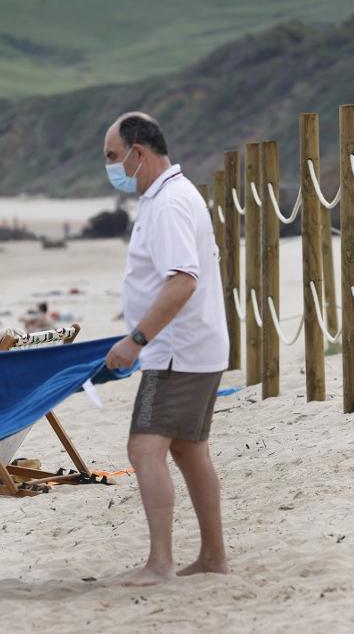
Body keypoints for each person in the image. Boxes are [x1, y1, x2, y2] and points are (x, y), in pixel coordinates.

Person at [101, 111, 230, 586]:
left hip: (176, 350)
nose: (111, 168)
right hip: (191, 346)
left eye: (113, 157)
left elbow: (182, 281)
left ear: (138, 153)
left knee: (143, 449)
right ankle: (214, 557)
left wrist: (136, 340)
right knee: (190, 451)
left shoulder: (171, 202)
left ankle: (160, 562)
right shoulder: (167, 195)